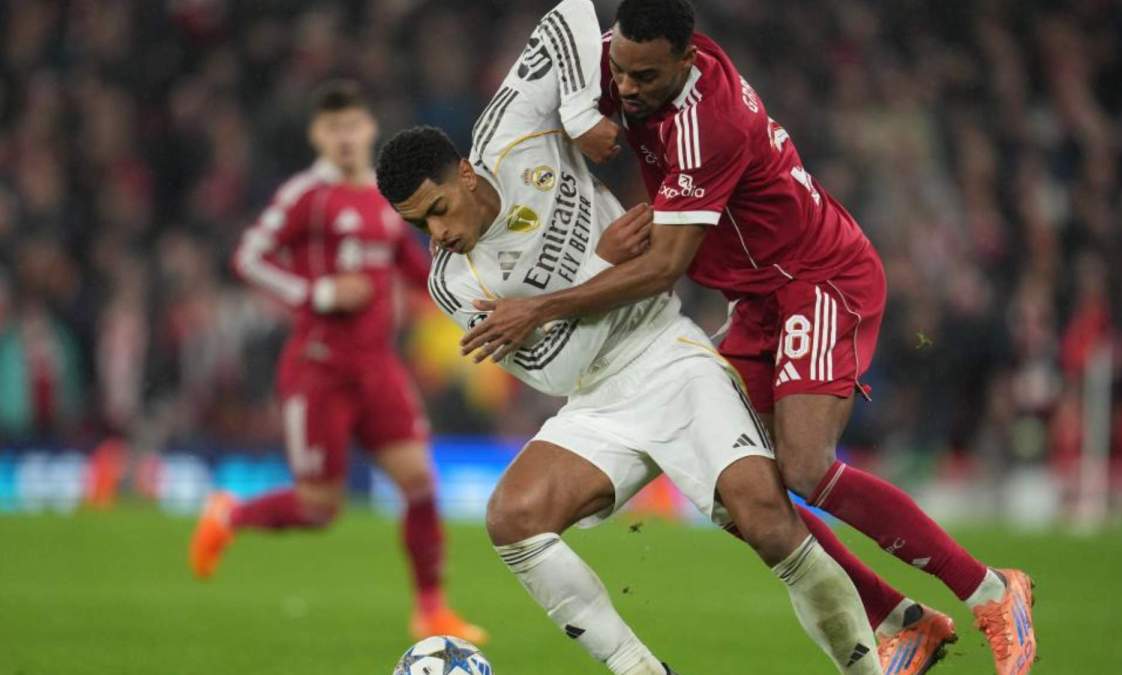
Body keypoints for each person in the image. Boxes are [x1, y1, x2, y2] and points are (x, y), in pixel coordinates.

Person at [458, 1, 1037, 674]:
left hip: (817, 280)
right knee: (744, 494)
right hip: (757, 296)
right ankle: (900, 618)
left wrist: (542, 308)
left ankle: (992, 589)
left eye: (647, 75)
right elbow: (568, 19)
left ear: (686, 57)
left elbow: (666, 266)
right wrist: (584, 114)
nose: (630, 88)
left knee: (804, 467)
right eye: (621, 69)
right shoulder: (621, 67)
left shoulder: (710, 121)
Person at [376, 3, 883, 673]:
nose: (436, 233)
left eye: (437, 209)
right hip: (595, 397)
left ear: (464, 174)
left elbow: (571, 16)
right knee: (511, 517)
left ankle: (867, 668)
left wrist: (582, 115)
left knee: (765, 518)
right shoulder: (454, 282)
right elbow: (555, 369)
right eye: (420, 225)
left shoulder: (510, 129)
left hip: (665, 349)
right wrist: (603, 263)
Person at [188, 80, 486, 645]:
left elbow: (409, 267)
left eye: (354, 126)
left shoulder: (384, 199)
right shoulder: (306, 196)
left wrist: (465, 308)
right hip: (319, 368)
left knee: (420, 481)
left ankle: (430, 610)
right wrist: (318, 293)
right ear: (319, 136)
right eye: (334, 129)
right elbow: (249, 257)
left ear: (368, 130)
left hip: (377, 368)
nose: (346, 138)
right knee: (319, 508)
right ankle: (227, 515)